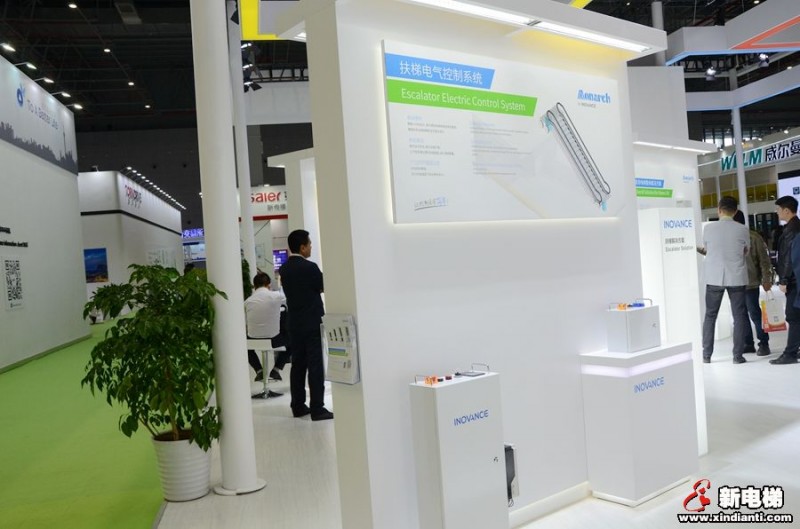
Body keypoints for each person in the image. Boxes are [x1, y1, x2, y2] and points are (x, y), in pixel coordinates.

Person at [279, 229, 333, 421]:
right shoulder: (310, 267)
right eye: (309, 244)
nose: (311, 247)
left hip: (294, 323)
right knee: (315, 365)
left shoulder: (284, 269)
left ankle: (298, 405)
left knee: (298, 365)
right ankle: (317, 407)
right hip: (312, 322)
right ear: (302, 247)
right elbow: (323, 285)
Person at [701, 196, 750, 364]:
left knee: (710, 315)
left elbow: (707, 249)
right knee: (739, 316)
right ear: (735, 211)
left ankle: (706, 355)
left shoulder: (708, 228)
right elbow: (745, 251)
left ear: (719, 210)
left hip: (714, 277)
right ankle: (737, 356)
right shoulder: (742, 229)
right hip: (736, 277)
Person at [732, 211, 773, 356]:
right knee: (741, 315)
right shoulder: (728, 238)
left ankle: (764, 343)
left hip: (750, 283)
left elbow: (764, 260)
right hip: (734, 283)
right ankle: (748, 343)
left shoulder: (753, 237)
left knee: (755, 314)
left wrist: (767, 279)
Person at [771, 196, 800, 365]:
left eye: (778, 209)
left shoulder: (792, 230)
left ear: (787, 210)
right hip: (796, 279)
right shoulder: (794, 227)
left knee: (793, 316)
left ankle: (790, 353)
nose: (777, 212)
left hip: (794, 281)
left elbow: (789, 258)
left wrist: (783, 280)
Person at [244, 272, 289, 381]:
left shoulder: (247, 301)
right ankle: (276, 369)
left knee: (245, 345)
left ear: (254, 286)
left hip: (252, 339)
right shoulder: (277, 296)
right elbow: (289, 300)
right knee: (292, 341)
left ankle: (259, 370)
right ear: (268, 285)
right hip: (274, 339)